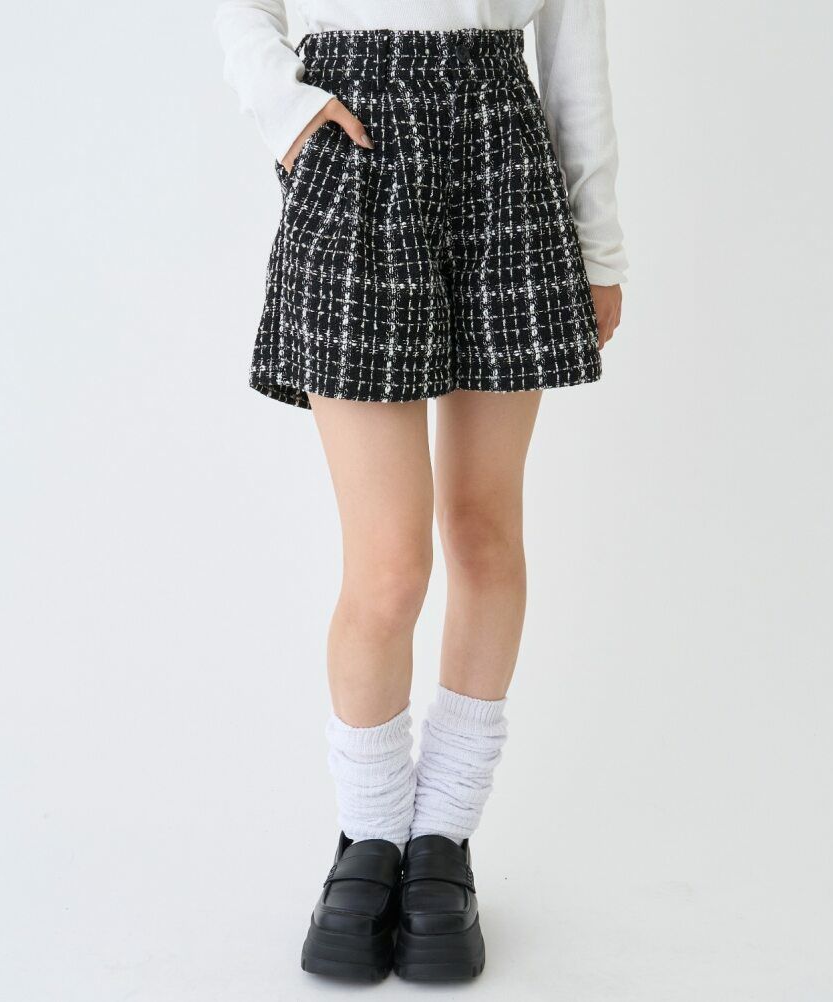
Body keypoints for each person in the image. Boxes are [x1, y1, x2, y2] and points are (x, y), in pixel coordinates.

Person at [214, 0, 627, 982]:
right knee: (390, 564)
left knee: (483, 533)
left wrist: (600, 243)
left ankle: (442, 835)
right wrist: (287, 108)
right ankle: (369, 834)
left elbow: (576, 54)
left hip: (504, 150)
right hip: (353, 137)